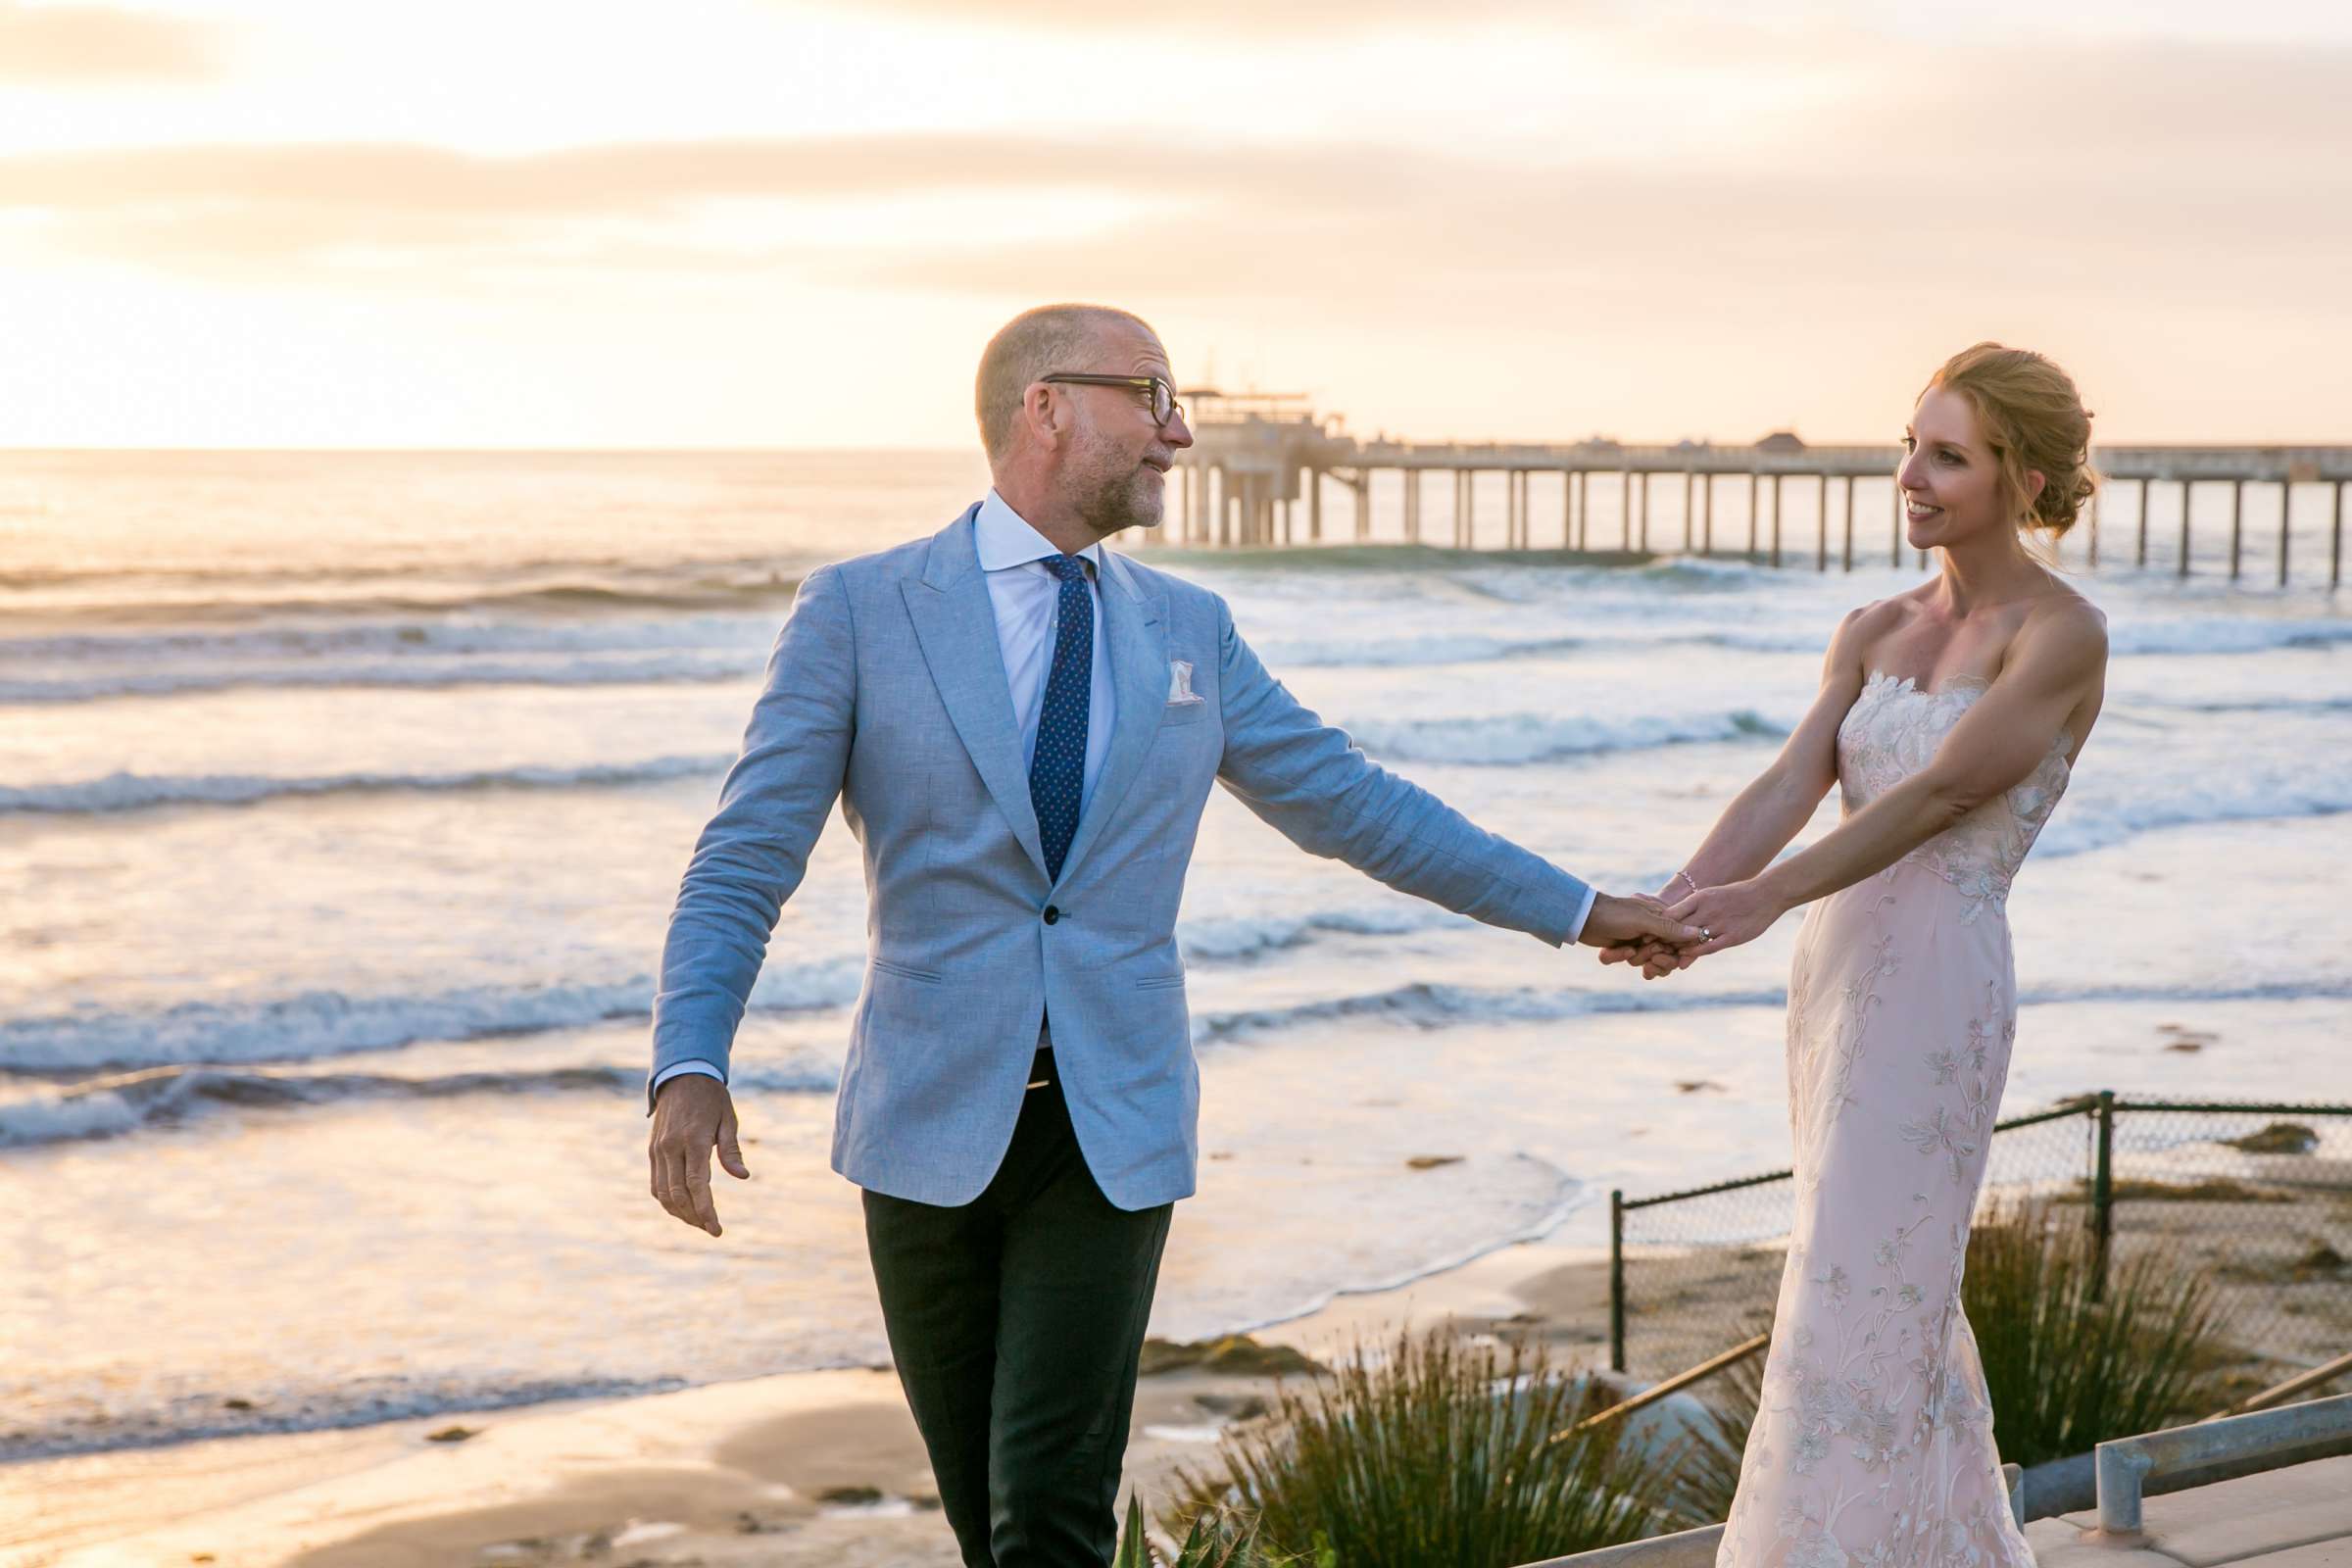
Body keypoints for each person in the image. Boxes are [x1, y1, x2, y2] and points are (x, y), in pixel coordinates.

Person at [645, 303, 1699, 1568]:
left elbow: (1357, 806)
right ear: (1046, 408)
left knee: (1048, 1509)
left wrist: (1580, 908)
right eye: (1152, 394)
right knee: (991, 1522)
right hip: (923, 1130)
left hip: (1113, 1127)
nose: (1181, 431)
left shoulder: (1188, 632)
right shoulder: (863, 612)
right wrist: (690, 1061)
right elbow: (748, 851)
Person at [1604, 342, 2107, 1568]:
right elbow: (1793, 777)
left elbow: (1942, 795)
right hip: (1834, 976)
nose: (1912, 474)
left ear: (2021, 477)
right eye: (1910, 443)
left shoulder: (2061, 633)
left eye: (1948, 454)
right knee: (1870, 1279)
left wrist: (1764, 897)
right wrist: (1679, 902)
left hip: (1940, 980)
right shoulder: (1874, 626)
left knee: (1863, 1278)